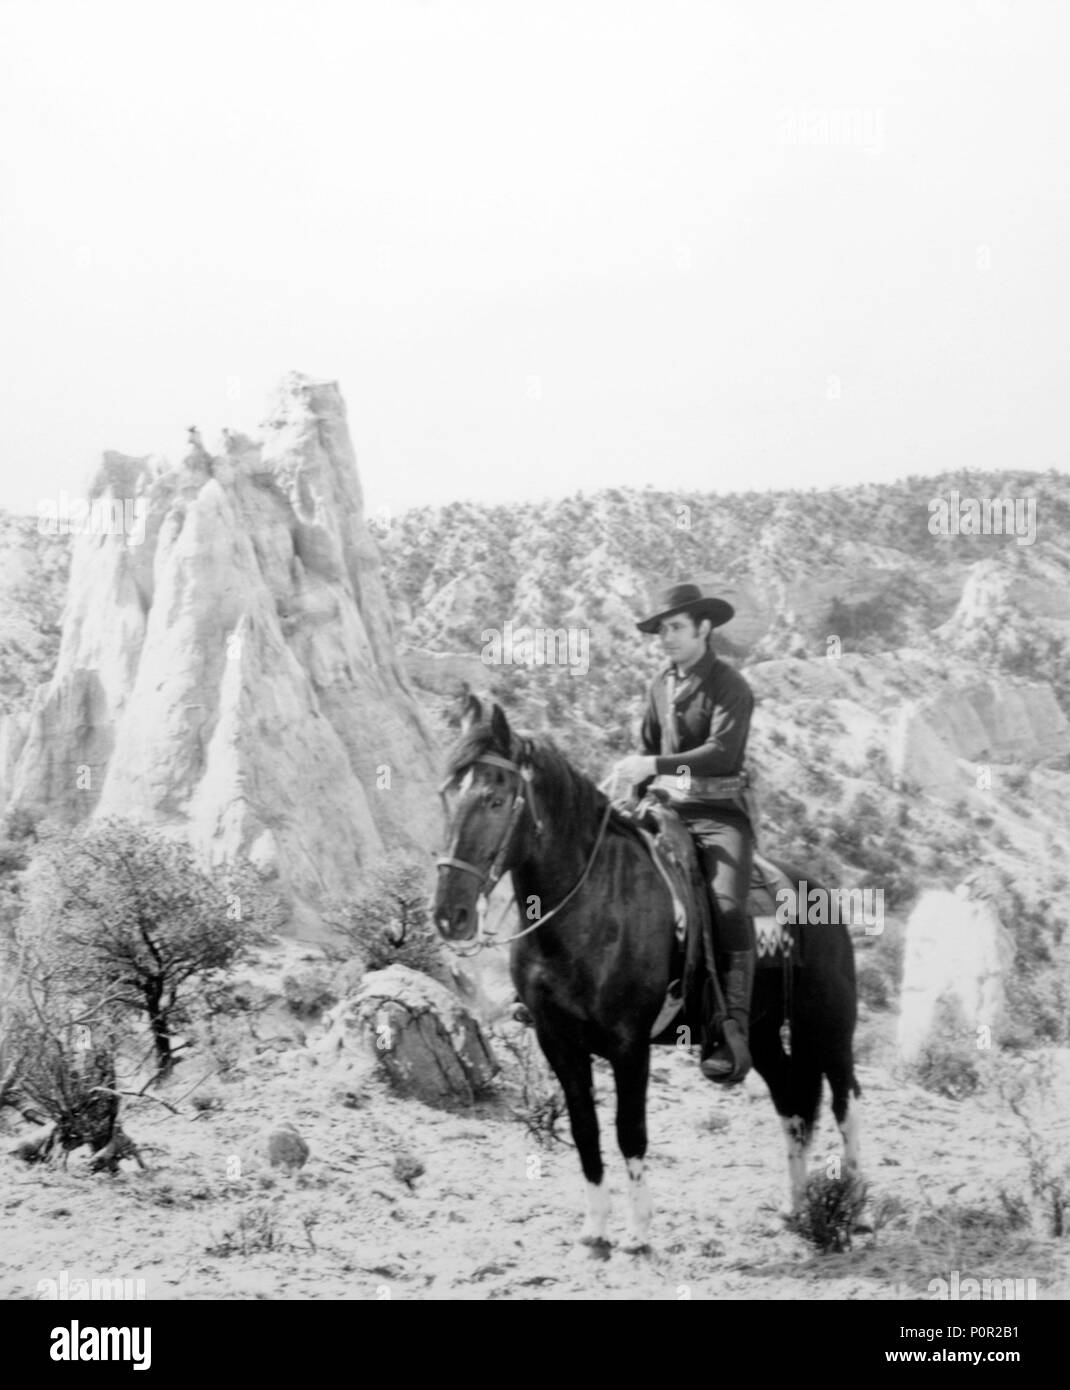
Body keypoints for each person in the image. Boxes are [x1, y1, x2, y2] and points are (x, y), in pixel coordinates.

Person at [614, 581, 756, 1084]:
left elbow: (721, 752)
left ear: (704, 627)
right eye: (661, 631)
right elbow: (646, 746)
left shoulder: (729, 685)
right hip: (665, 808)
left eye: (675, 628)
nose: (667, 638)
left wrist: (653, 762)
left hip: (718, 815)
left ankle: (728, 1028)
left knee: (727, 907)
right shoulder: (659, 685)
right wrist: (635, 792)